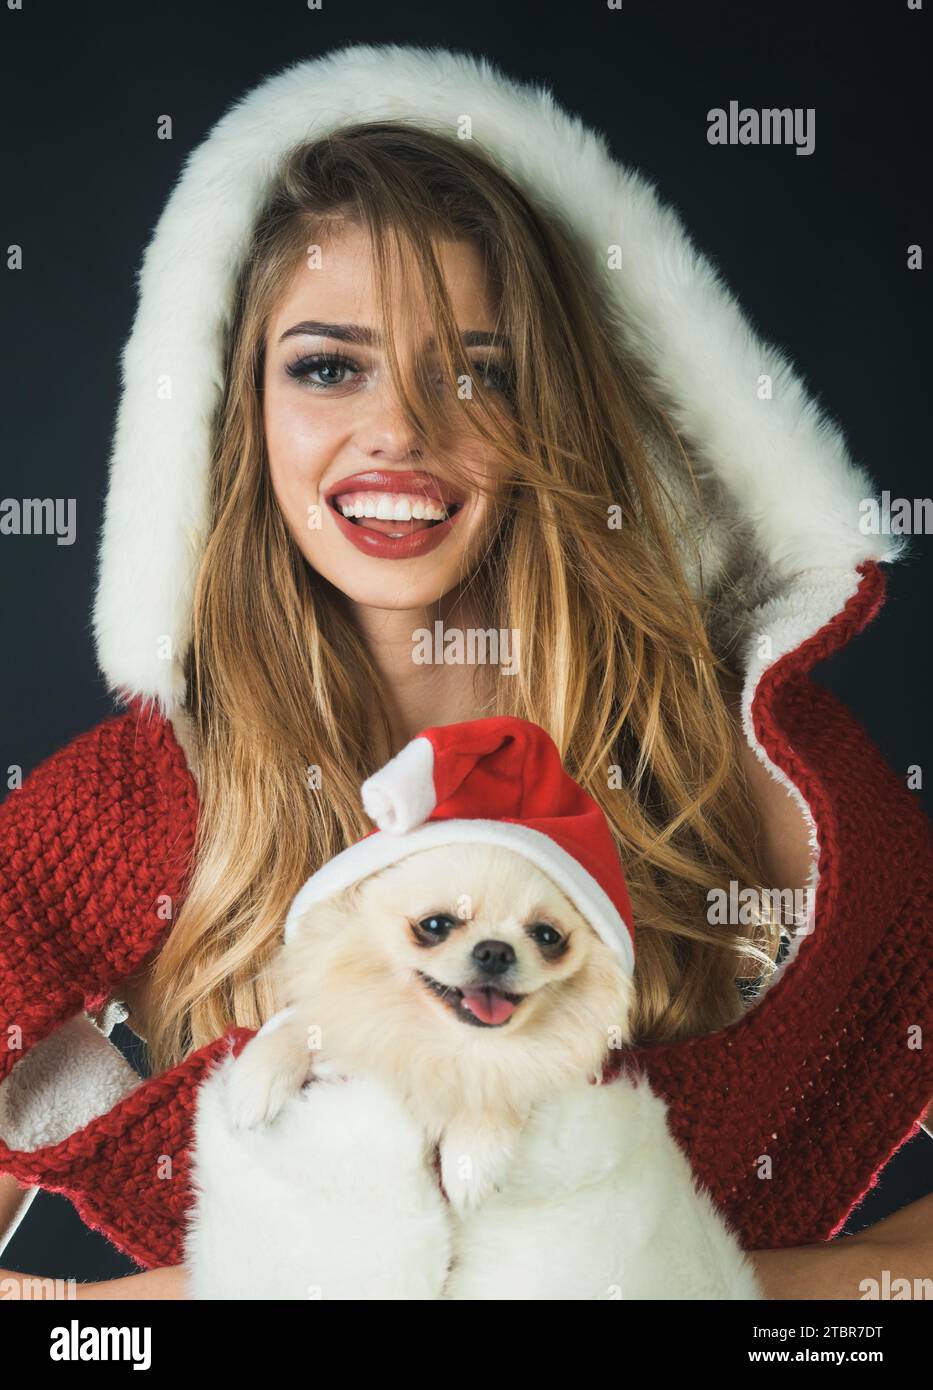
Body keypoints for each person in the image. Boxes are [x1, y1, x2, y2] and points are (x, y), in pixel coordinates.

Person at [1, 45, 931, 1300]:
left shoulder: (751, 773)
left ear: (548, 413)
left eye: (477, 374)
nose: (398, 432)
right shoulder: (126, 813)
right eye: (328, 366)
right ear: (237, 415)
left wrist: (713, 1290)